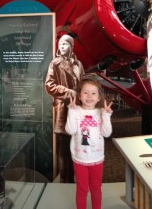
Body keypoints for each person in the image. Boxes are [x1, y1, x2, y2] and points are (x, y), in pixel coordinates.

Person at [65, 78, 113, 209]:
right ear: (79, 95)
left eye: (93, 93)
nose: (89, 96)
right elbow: (70, 130)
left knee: (96, 188)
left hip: (97, 158)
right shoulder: (75, 111)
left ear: (99, 98)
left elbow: (107, 133)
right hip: (79, 159)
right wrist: (71, 112)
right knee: (82, 189)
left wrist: (107, 116)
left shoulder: (101, 113)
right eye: (85, 92)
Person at [45, 34, 85, 183]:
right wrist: (69, 92)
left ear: (71, 46)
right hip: (63, 108)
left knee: (76, 144)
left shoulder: (78, 64)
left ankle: (74, 178)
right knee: (64, 146)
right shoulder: (55, 63)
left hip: (77, 109)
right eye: (60, 43)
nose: (61, 46)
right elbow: (49, 86)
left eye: (65, 44)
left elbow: (83, 82)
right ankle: (64, 180)